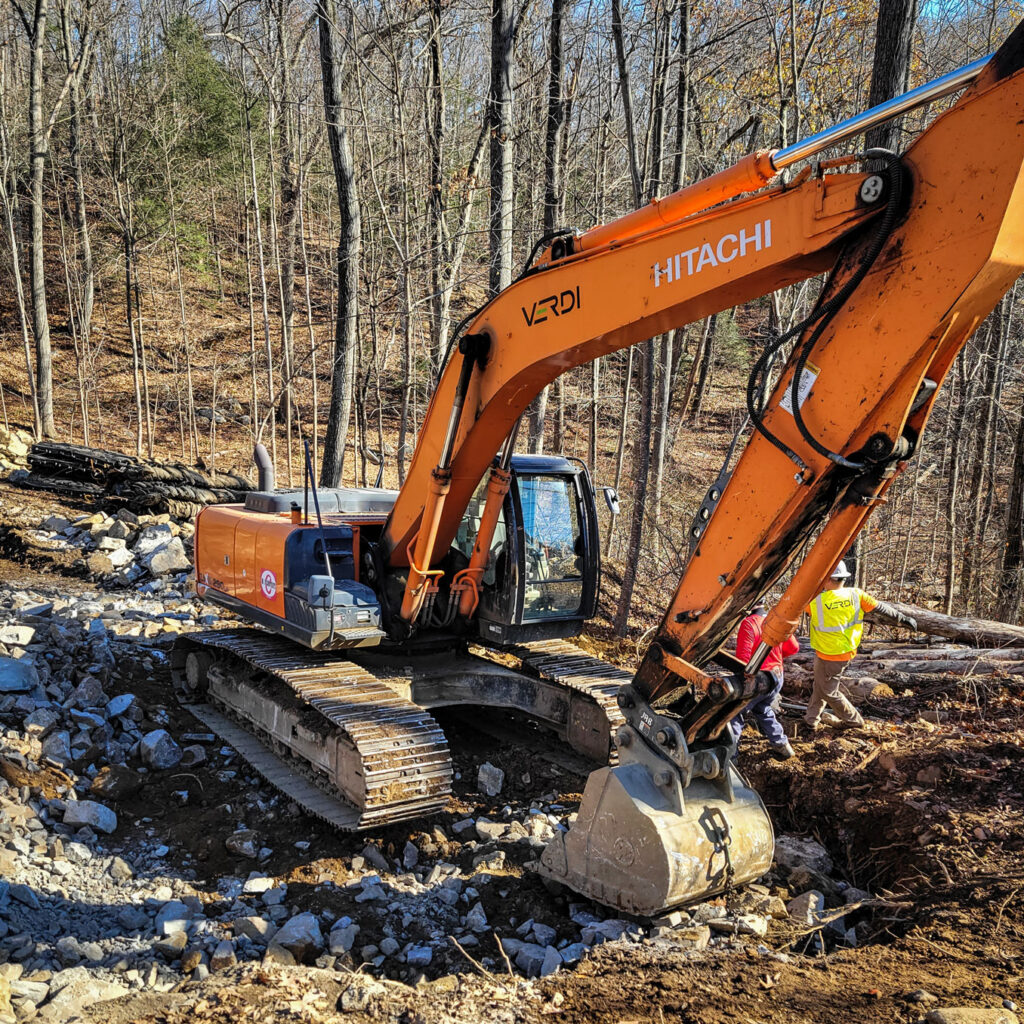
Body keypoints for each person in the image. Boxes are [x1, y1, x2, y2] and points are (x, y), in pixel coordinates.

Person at [803, 560, 916, 732]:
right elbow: (881, 608)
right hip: (839, 652)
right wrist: (902, 618)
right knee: (820, 686)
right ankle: (811, 720)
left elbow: (795, 607)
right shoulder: (856, 595)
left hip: (832, 655)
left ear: (826, 579)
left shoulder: (816, 602)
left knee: (829, 691)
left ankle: (853, 720)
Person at [733, 601, 800, 760]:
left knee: (734, 713)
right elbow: (794, 648)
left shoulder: (748, 623)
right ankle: (781, 744)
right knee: (762, 708)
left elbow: (743, 659)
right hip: (777, 676)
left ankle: (730, 756)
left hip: (760, 680)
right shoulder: (775, 619)